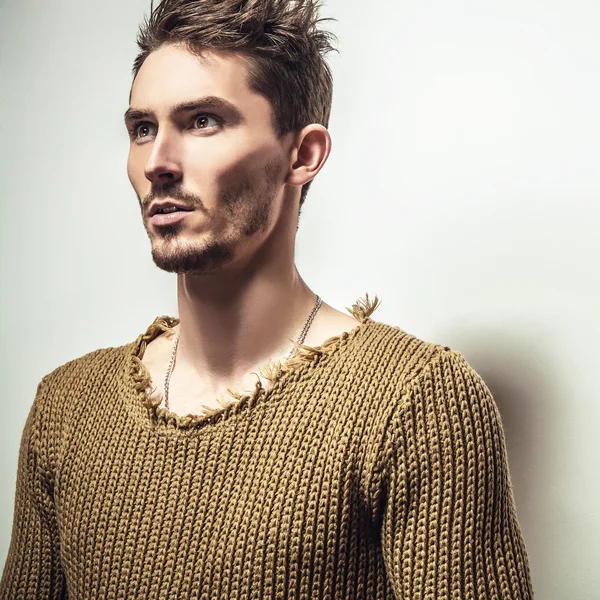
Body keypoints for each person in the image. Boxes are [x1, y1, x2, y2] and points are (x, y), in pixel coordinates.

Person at [0, 0, 535, 598]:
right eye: (142, 129)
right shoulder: (67, 408)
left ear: (302, 155)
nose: (158, 163)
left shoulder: (413, 400)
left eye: (202, 121)